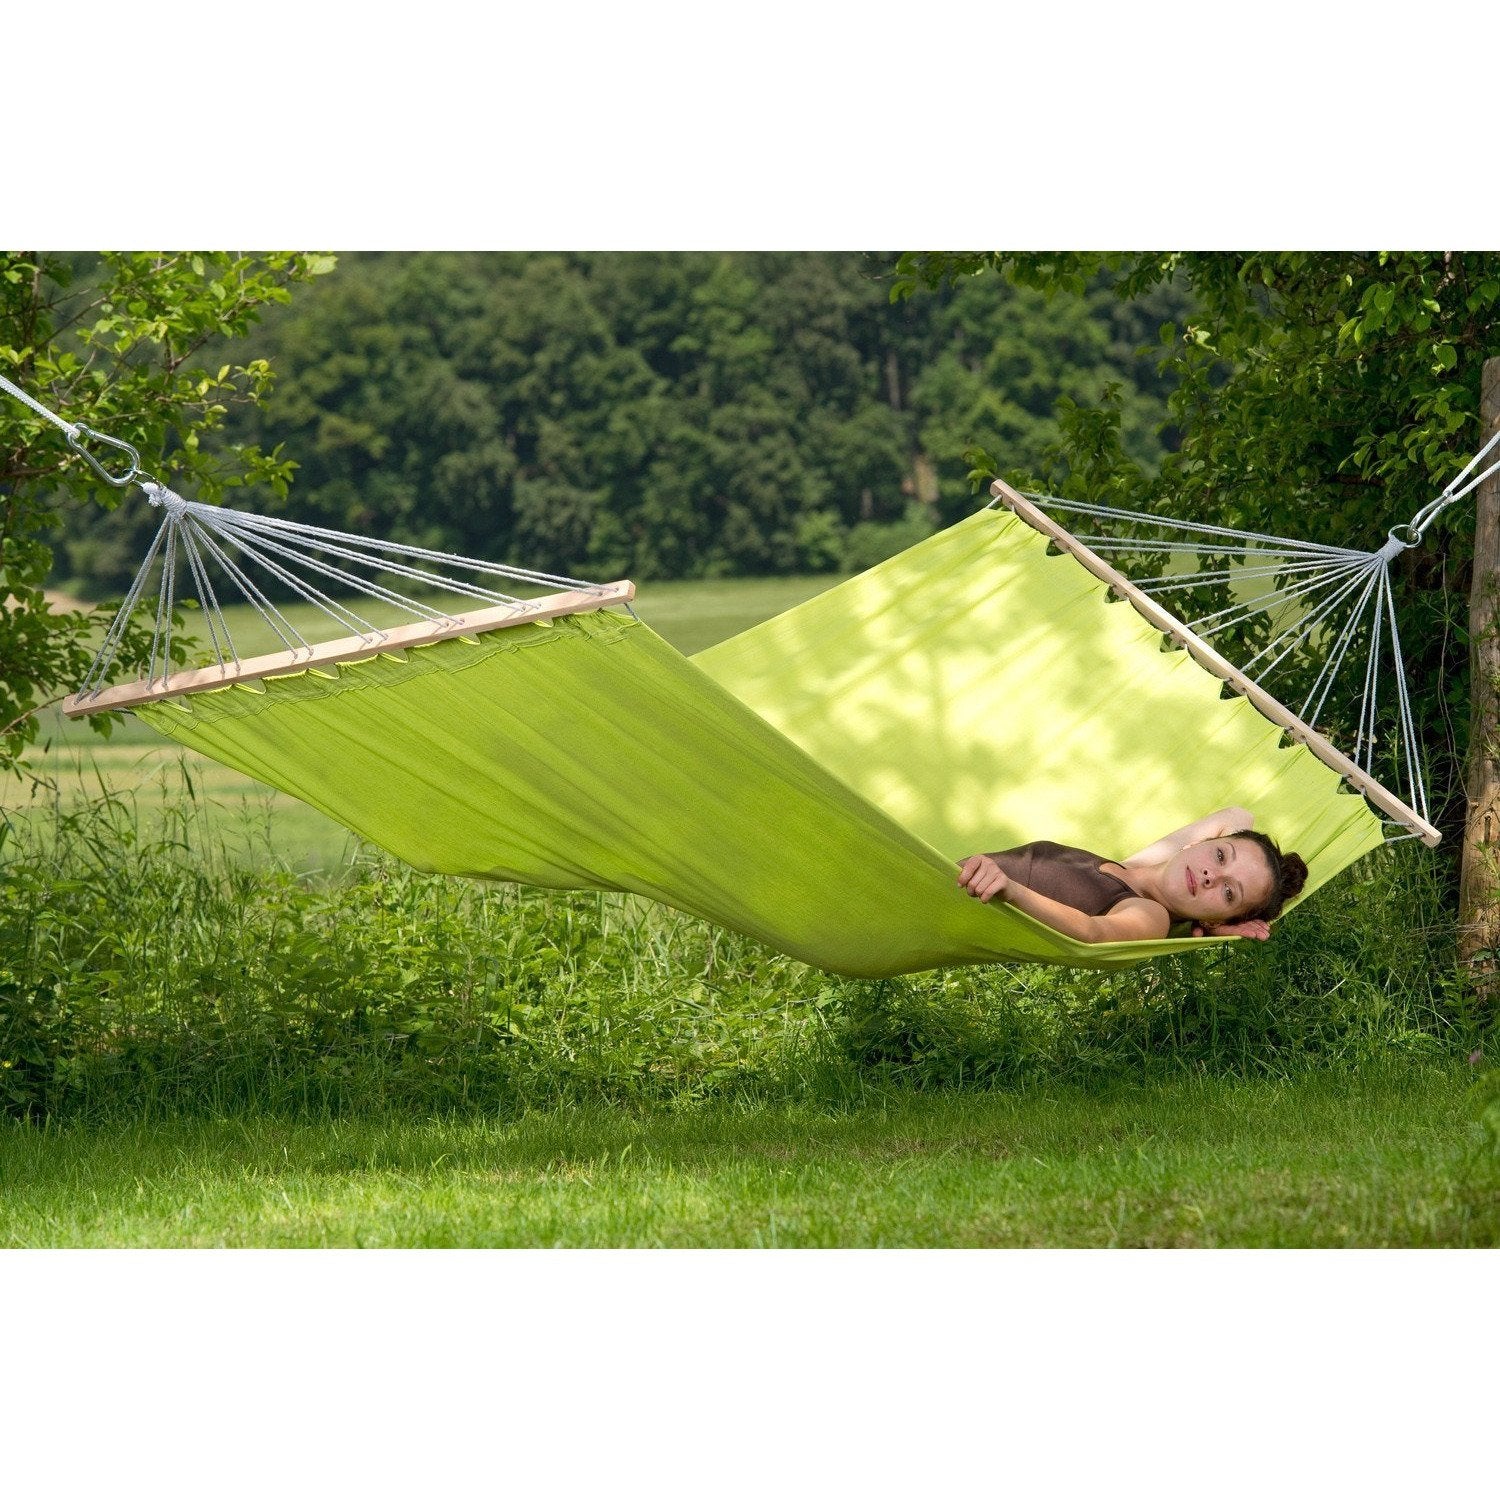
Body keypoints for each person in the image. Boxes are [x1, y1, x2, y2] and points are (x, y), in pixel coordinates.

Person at [956, 806, 1308, 944]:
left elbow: (1093, 932)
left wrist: (1011, 890)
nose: (1209, 876)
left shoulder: (1149, 913)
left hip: (958, 896)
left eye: (1229, 893)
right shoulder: (1136, 866)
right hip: (947, 875)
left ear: (1217, 919)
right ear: (1197, 843)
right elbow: (1239, 815)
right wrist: (1221, 914)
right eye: (1219, 854)